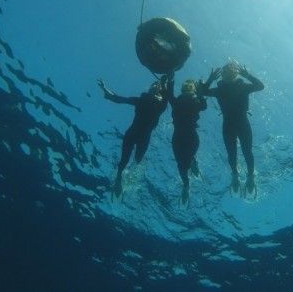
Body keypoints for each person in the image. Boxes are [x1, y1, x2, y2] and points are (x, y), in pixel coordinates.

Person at [200, 61, 264, 195]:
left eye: (231, 70)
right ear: (222, 75)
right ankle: (235, 175)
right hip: (231, 124)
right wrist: (210, 79)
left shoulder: (242, 87)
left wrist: (248, 75)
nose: (228, 72)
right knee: (232, 153)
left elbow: (260, 86)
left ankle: (250, 176)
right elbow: (202, 92)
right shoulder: (220, 90)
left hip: (239, 123)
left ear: (235, 73)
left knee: (247, 152)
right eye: (226, 70)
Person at [98, 77, 168, 197]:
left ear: (159, 92)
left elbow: (167, 95)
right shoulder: (141, 100)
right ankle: (119, 180)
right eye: (153, 85)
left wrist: (165, 82)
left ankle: (128, 181)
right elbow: (119, 99)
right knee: (124, 161)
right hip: (133, 134)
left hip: (141, 138)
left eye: (157, 87)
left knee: (138, 161)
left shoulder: (161, 105)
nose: (154, 87)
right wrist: (105, 89)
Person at [168, 75, 207, 205]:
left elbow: (204, 106)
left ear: (194, 90)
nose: (188, 88)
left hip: (191, 136)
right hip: (178, 137)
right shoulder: (176, 101)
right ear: (182, 89)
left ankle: (192, 161)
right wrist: (170, 79)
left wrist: (201, 93)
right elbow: (169, 94)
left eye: (191, 87)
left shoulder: (197, 101)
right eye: (185, 86)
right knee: (181, 164)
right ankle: (186, 185)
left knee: (187, 159)